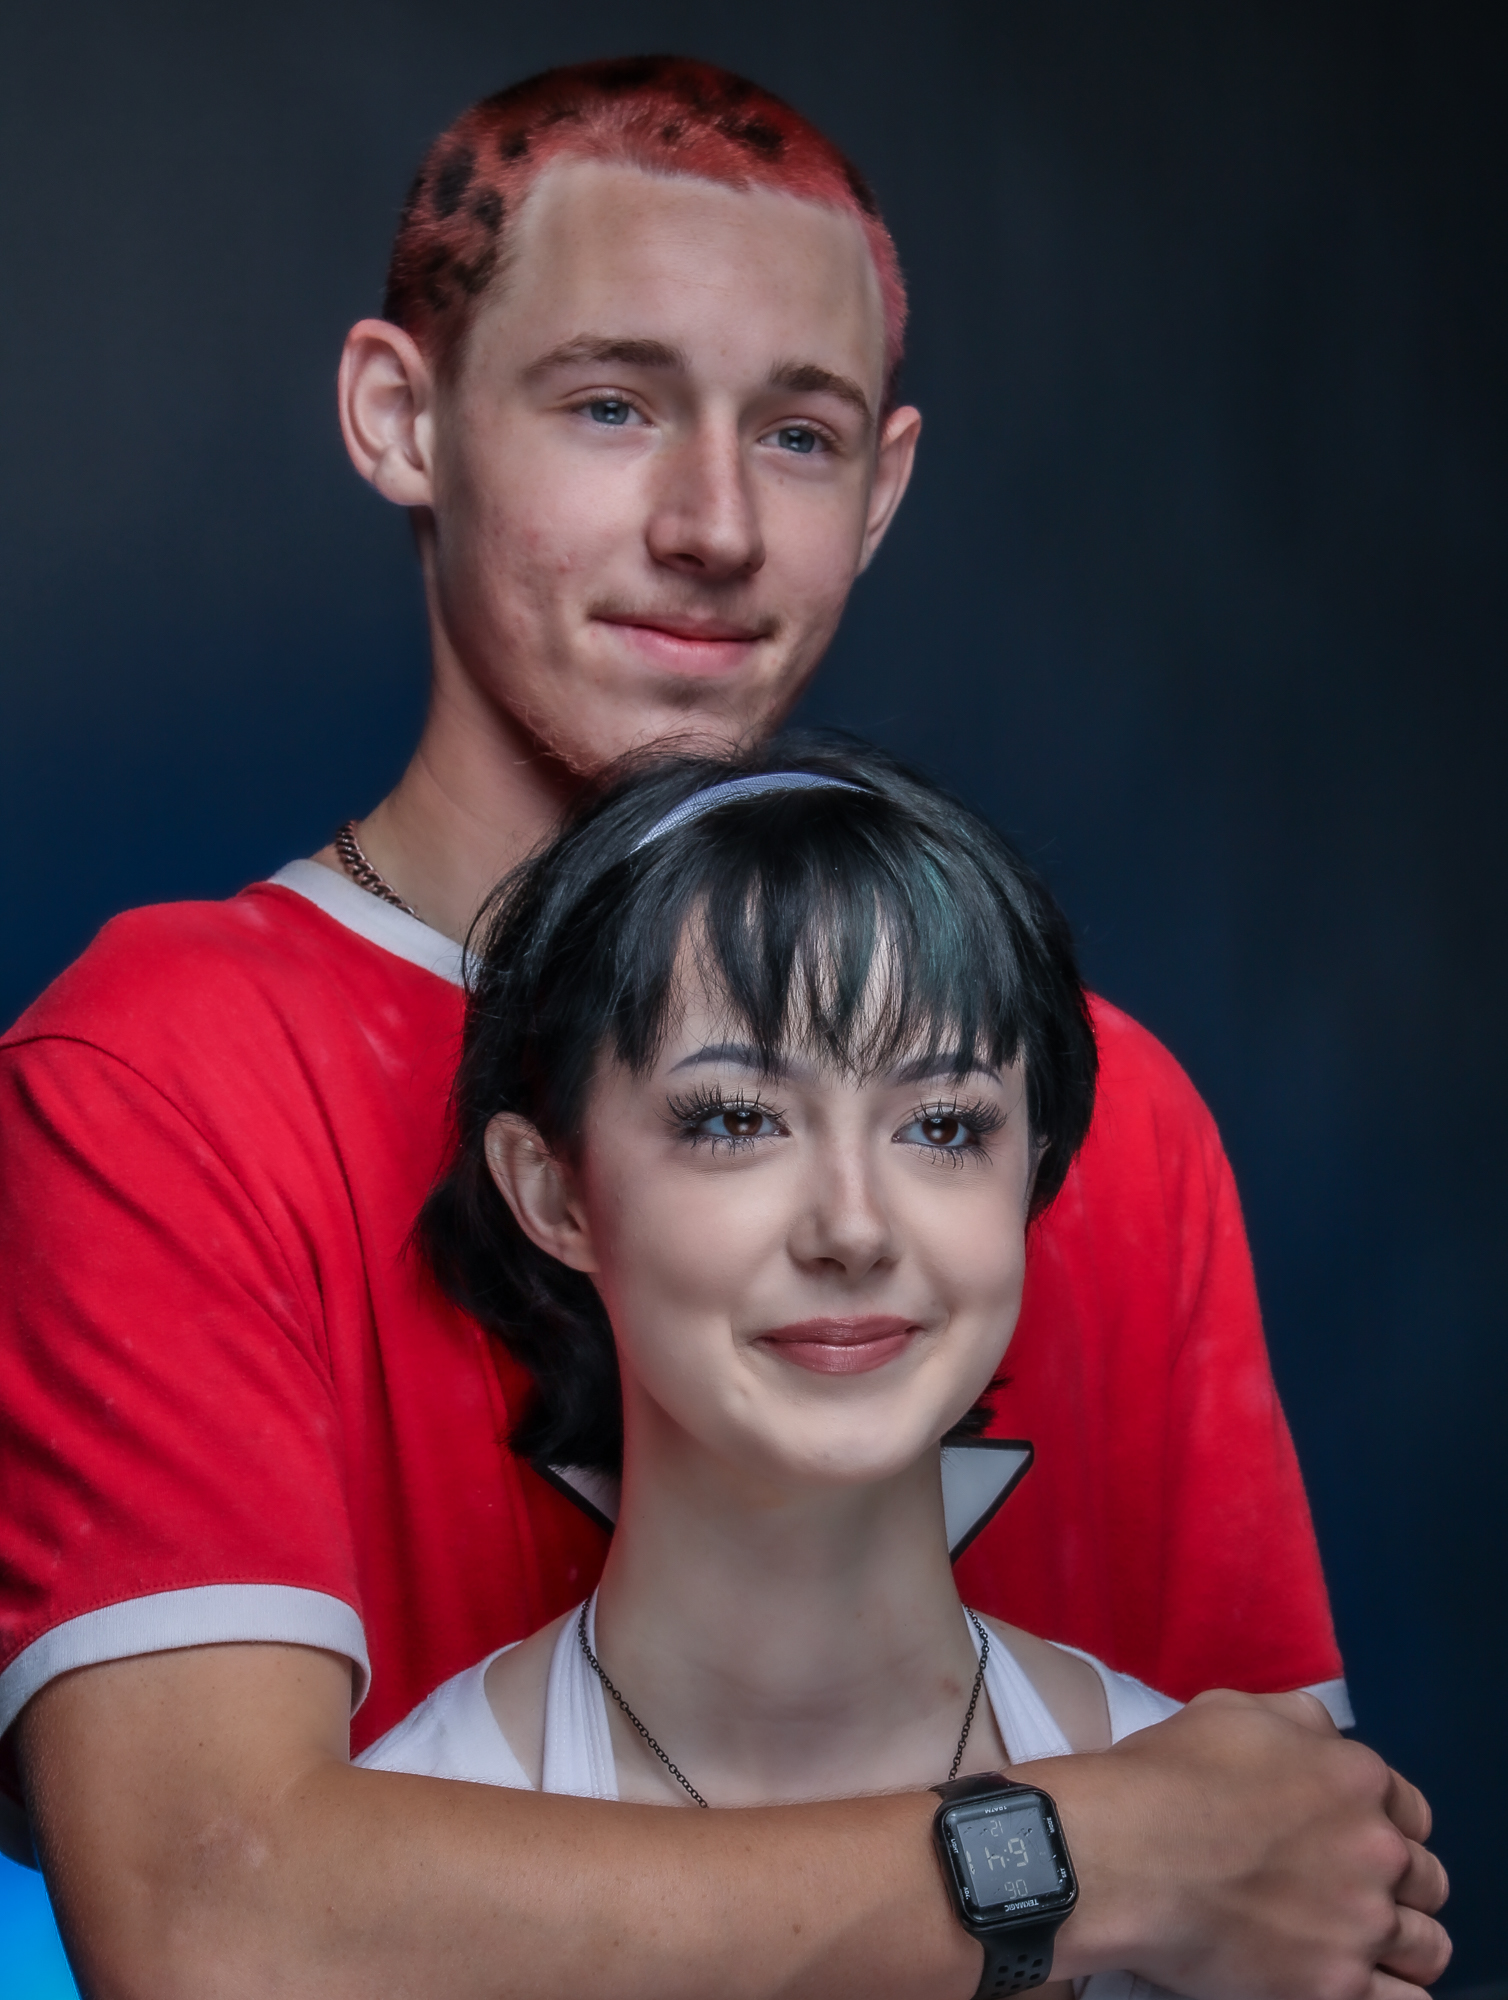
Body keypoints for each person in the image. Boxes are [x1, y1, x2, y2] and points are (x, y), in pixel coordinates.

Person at [0, 54, 1447, 2000]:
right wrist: (1069, 1856)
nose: (713, 524)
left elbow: (1284, 1877)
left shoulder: (1110, 1108)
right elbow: (216, 1927)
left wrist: (1203, 1866)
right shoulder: (160, 1069)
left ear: (885, 486)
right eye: (610, 403)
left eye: (799, 432)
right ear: (401, 417)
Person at [361, 740, 1185, 2000]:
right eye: (736, 1118)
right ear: (553, 1190)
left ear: (1032, 1169)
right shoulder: (382, 1889)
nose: (852, 1225)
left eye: (943, 1125)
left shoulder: (1237, 1865)